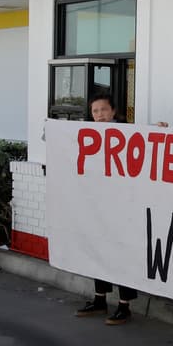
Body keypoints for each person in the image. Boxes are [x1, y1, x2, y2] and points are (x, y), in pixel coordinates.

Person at [74, 92, 139, 326]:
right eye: (95, 111)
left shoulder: (127, 132)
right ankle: (100, 299)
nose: (99, 114)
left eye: (103, 110)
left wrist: (160, 130)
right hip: (98, 205)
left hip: (122, 205)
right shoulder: (89, 135)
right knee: (99, 250)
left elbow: (148, 144)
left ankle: (124, 305)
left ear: (113, 111)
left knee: (121, 253)